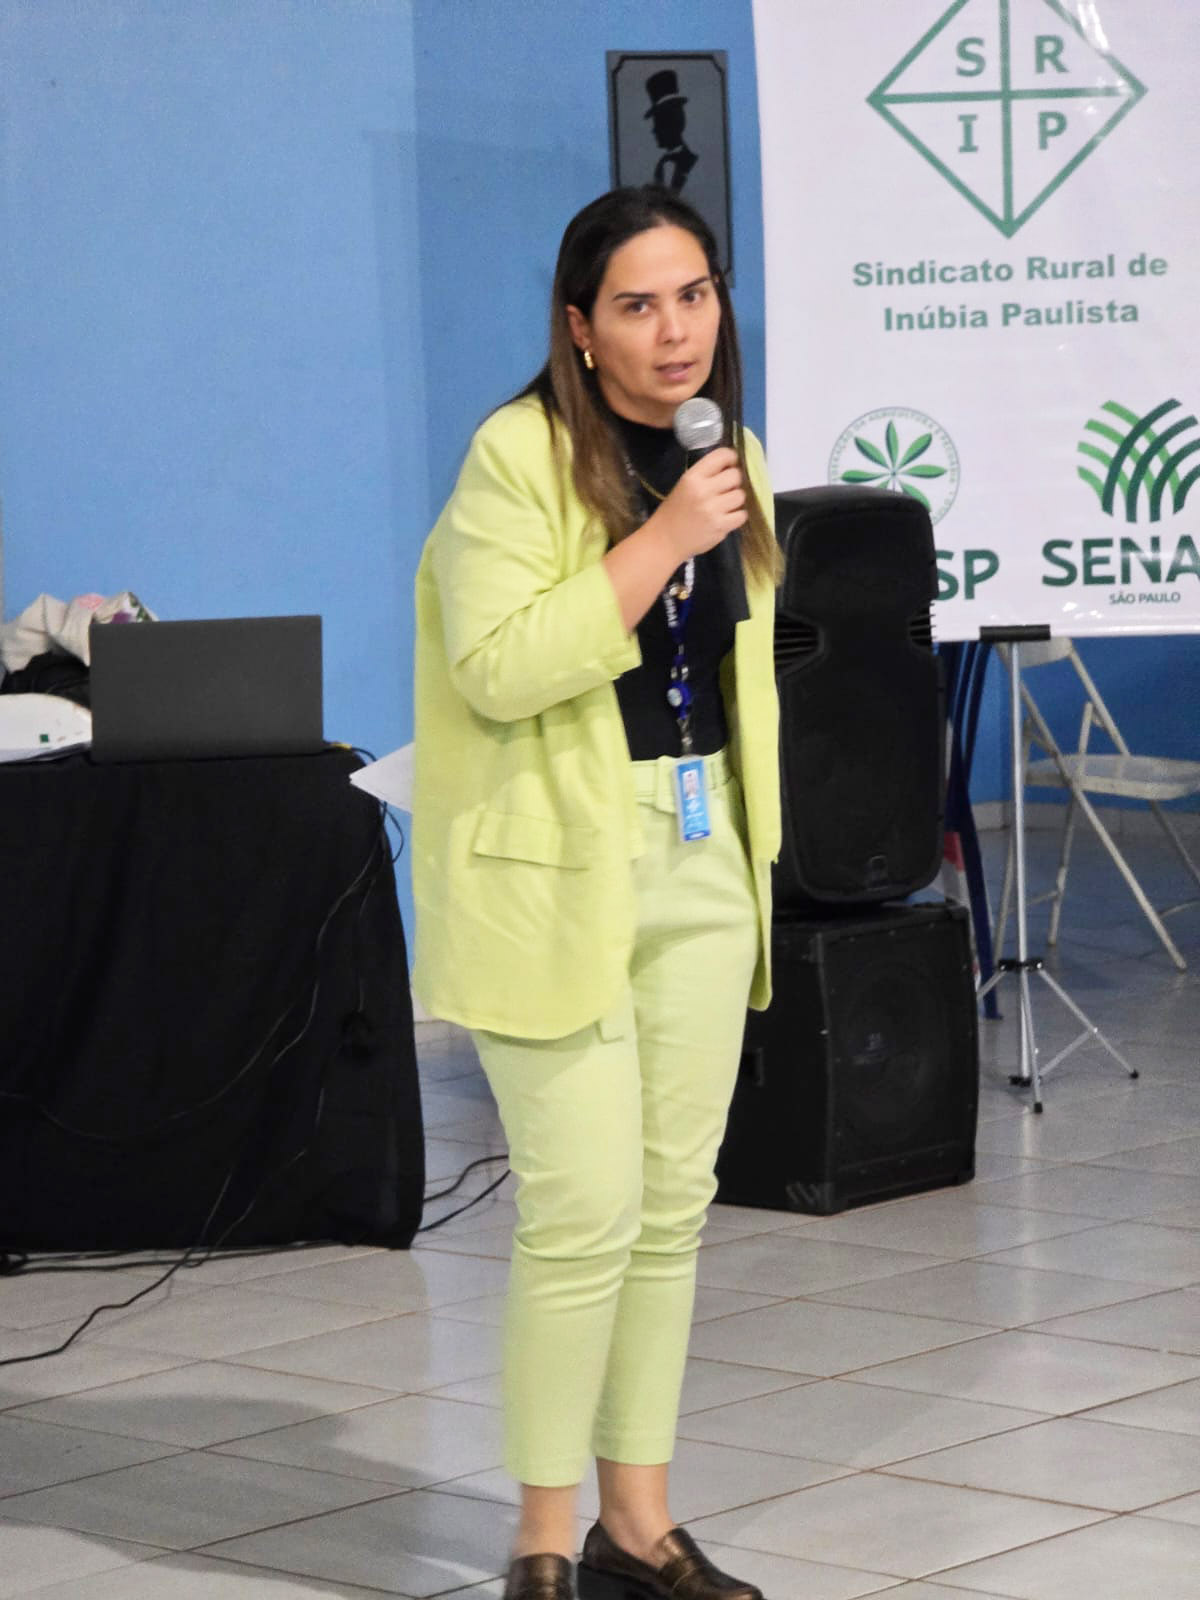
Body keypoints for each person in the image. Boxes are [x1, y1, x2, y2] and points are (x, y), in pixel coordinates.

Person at [412, 186, 782, 1600]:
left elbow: (735, 670)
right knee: (581, 1214)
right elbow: (500, 667)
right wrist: (665, 538)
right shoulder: (516, 456)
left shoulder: (728, 453)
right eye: (637, 304)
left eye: (695, 295)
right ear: (579, 327)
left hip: (701, 844)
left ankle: (640, 1524)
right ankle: (541, 1538)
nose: (676, 330)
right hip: (557, 860)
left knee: (673, 1204)